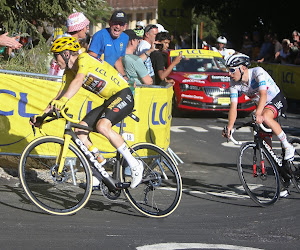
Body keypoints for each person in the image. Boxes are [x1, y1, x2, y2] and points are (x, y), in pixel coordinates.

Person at [32, 37, 144, 189]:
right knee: (80, 131)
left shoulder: (83, 58)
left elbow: (79, 80)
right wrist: (42, 116)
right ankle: (98, 171)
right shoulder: (69, 71)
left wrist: (64, 100)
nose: (54, 60)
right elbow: (59, 95)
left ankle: (135, 165)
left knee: (103, 126)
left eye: (55, 55)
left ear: (65, 54)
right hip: (110, 99)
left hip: (124, 94)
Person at [223, 53, 295, 162]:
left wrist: (258, 113)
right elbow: (233, 106)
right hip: (262, 106)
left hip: (276, 99)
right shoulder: (234, 83)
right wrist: (230, 126)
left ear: (243, 68)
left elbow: (263, 94)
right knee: (262, 141)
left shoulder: (257, 72)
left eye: (232, 70)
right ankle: (277, 165)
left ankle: (287, 146)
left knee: (265, 116)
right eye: (228, 70)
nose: (229, 74)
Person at [88, 10, 129, 78]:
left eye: (121, 24)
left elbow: (118, 60)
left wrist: (124, 76)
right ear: (110, 23)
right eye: (115, 23)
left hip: (110, 75)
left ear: (125, 26)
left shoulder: (125, 38)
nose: (118, 26)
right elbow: (91, 58)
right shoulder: (100, 35)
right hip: (96, 74)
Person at [48, 12, 90, 77]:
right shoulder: (67, 45)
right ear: (79, 29)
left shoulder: (64, 39)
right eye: (86, 26)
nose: (88, 28)